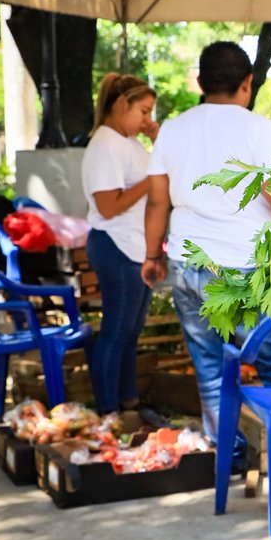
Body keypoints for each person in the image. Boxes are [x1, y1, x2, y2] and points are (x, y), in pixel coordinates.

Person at [141, 41, 271, 474]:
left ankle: (227, 451)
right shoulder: (258, 128)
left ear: (199, 82)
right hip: (247, 267)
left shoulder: (172, 128)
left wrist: (152, 254)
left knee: (210, 365)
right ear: (247, 83)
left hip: (188, 264)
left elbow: (157, 202)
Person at [81, 73, 158, 414]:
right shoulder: (105, 144)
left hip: (134, 245)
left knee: (130, 331)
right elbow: (108, 206)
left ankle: (128, 404)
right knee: (115, 332)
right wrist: (151, 179)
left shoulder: (128, 141)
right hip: (115, 245)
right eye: (143, 111)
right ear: (120, 104)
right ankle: (108, 411)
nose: (147, 120)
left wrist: (159, 141)